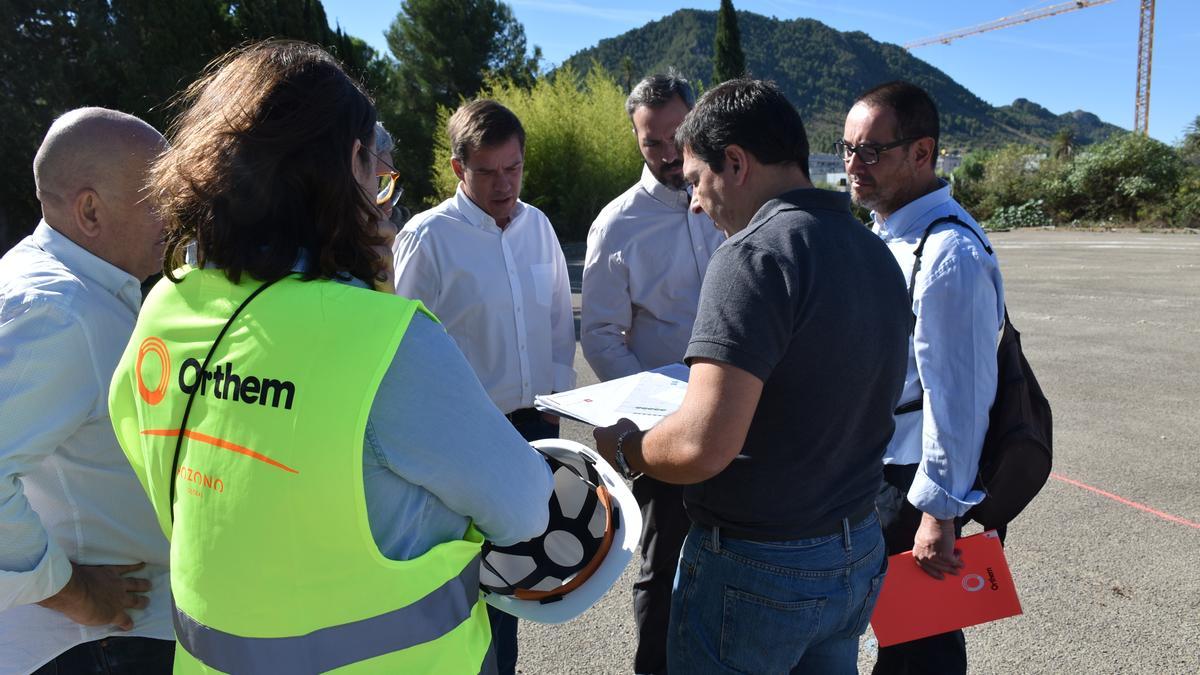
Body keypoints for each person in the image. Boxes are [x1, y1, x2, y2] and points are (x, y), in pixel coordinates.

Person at [107, 41, 553, 673]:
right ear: (351, 163)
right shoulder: (384, 337)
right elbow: (524, 505)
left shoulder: (167, 307)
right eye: (380, 177)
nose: (382, 197)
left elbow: (160, 456)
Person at [594, 79, 911, 674]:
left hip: (759, 565)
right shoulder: (874, 252)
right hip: (855, 549)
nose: (693, 201)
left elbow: (701, 444)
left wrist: (626, 447)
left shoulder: (752, 256)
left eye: (695, 181)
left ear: (735, 163)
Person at [393, 99, 576, 675]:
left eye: (514, 168)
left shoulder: (538, 226)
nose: (505, 185)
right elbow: (400, 344)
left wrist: (556, 402)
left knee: (516, 582)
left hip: (531, 429)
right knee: (468, 587)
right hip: (463, 438)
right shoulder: (429, 238)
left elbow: (556, 321)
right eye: (489, 172)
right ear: (456, 169)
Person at [0, 108, 173, 674]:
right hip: (92, 645)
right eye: (159, 196)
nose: (176, 215)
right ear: (90, 209)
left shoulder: (68, 291)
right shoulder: (56, 311)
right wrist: (74, 593)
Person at [841, 80, 1005, 675]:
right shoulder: (894, 234)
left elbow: (959, 397)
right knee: (899, 633)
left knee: (921, 647)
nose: (853, 166)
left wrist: (939, 512)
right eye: (847, 149)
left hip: (915, 481)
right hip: (883, 466)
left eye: (871, 151)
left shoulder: (947, 254)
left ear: (921, 152)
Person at [580, 71, 724, 675]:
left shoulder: (730, 202)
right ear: (635, 140)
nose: (669, 154)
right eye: (652, 143)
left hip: (740, 419)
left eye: (678, 136)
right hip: (665, 431)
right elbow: (600, 334)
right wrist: (655, 408)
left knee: (733, 561)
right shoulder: (617, 225)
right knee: (666, 567)